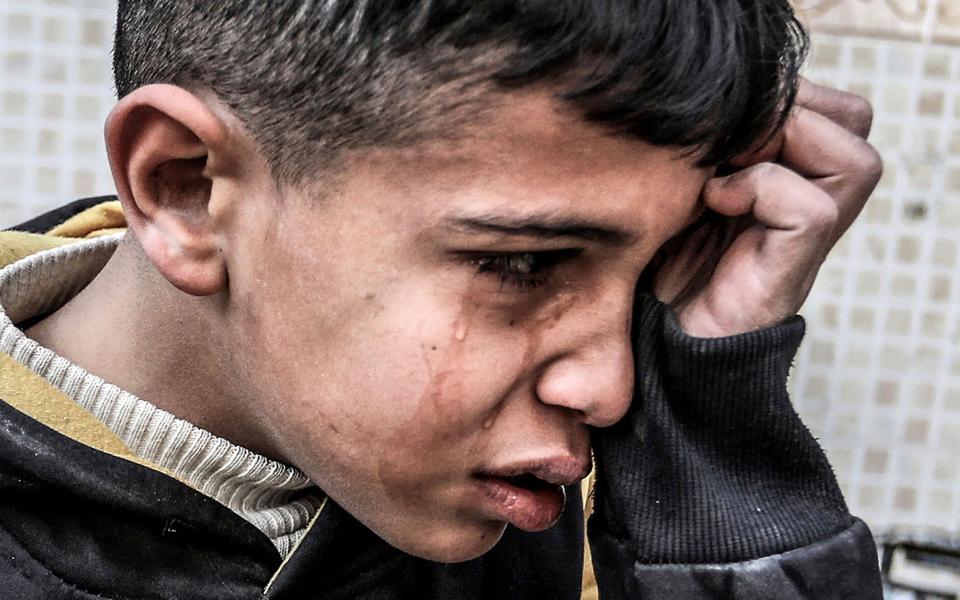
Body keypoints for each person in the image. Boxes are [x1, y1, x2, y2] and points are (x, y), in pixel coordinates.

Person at [0, 1, 885, 598]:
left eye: (659, 272)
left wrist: (712, 469)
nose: (612, 391)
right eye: (522, 266)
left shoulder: (557, 504)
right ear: (187, 188)